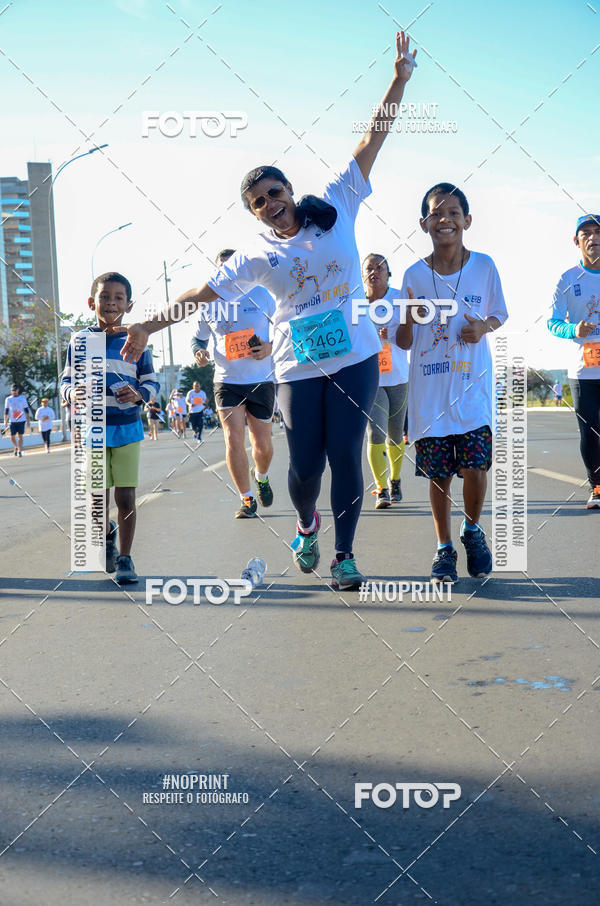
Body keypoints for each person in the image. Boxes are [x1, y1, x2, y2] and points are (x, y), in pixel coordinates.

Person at [122, 32, 417, 590]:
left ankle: (345, 555)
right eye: (258, 202)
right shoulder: (257, 256)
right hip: (298, 365)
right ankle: (307, 524)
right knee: (305, 466)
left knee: (346, 455)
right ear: (254, 215)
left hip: (355, 354)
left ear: (289, 189)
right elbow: (201, 295)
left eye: (274, 192)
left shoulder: (336, 203)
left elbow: (370, 141)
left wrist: (398, 81)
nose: (270, 204)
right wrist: (147, 322)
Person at [396, 183, 508, 584]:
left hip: (472, 391)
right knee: (439, 476)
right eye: (437, 213)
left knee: (476, 466)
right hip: (430, 395)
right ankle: (444, 548)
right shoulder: (411, 275)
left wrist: (483, 326)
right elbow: (404, 341)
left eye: (454, 212)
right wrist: (408, 316)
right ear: (424, 223)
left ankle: (472, 530)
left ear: (467, 220)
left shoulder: (484, 267)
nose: (446, 219)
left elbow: (499, 314)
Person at [61, 272, 159, 584]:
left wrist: (141, 395)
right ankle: (106, 536)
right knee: (96, 498)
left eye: (118, 298)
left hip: (128, 428)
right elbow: (65, 380)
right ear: (92, 303)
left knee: (126, 498)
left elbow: (151, 381)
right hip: (93, 430)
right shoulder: (80, 341)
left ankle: (126, 559)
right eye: (105, 297)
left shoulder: (137, 339)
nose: (111, 302)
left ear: (128, 305)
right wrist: (72, 392)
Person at [192, 249, 276, 518]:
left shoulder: (262, 295)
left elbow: (286, 330)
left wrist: (269, 347)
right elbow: (198, 339)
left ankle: (261, 476)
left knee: (262, 445)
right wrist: (199, 353)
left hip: (261, 379)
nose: (227, 274)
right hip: (226, 380)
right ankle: (247, 498)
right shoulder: (209, 303)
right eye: (221, 270)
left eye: (232, 268)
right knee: (233, 439)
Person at [548, 214, 600, 508]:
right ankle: (597, 486)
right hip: (584, 372)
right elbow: (553, 323)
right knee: (590, 431)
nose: (593, 238)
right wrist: (573, 330)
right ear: (577, 241)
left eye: (598, 232)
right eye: (586, 233)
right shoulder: (567, 279)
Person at [362, 253, 409, 508]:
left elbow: (412, 333)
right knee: (376, 432)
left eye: (380, 267)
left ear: (388, 274)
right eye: (369, 268)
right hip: (371, 378)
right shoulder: (356, 301)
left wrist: (392, 332)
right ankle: (380, 490)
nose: (375, 271)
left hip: (399, 375)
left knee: (395, 435)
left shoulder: (399, 297)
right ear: (362, 274)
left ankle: (395, 479)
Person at [3, 384, 30, 456]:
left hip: (21, 419)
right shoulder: (8, 399)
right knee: (12, 436)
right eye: (13, 390)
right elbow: (6, 411)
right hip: (12, 420)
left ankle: (20, 451)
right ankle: (17, 446)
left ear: (18, 390)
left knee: (20, 436)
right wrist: (5, 421)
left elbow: (26, 410)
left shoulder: (22, 398)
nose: (14, 392)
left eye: (15, 390)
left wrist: (28, 421)